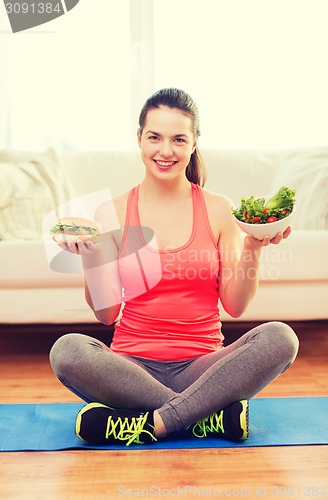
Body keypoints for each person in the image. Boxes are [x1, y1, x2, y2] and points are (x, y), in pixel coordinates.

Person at [50, 88, 299, 446]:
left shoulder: (217, 209)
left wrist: (252, 248)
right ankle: (206, 417)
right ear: (139, 139)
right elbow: (107, 315)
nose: (165, 151)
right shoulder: (112, 212)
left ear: (195, 143)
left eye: (178, 139)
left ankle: (146, 422)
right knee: (67, 349)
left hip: (206, 369)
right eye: (155, 137)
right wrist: (91, 254)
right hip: (131, 368)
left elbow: (236, 305)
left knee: (281, 338)